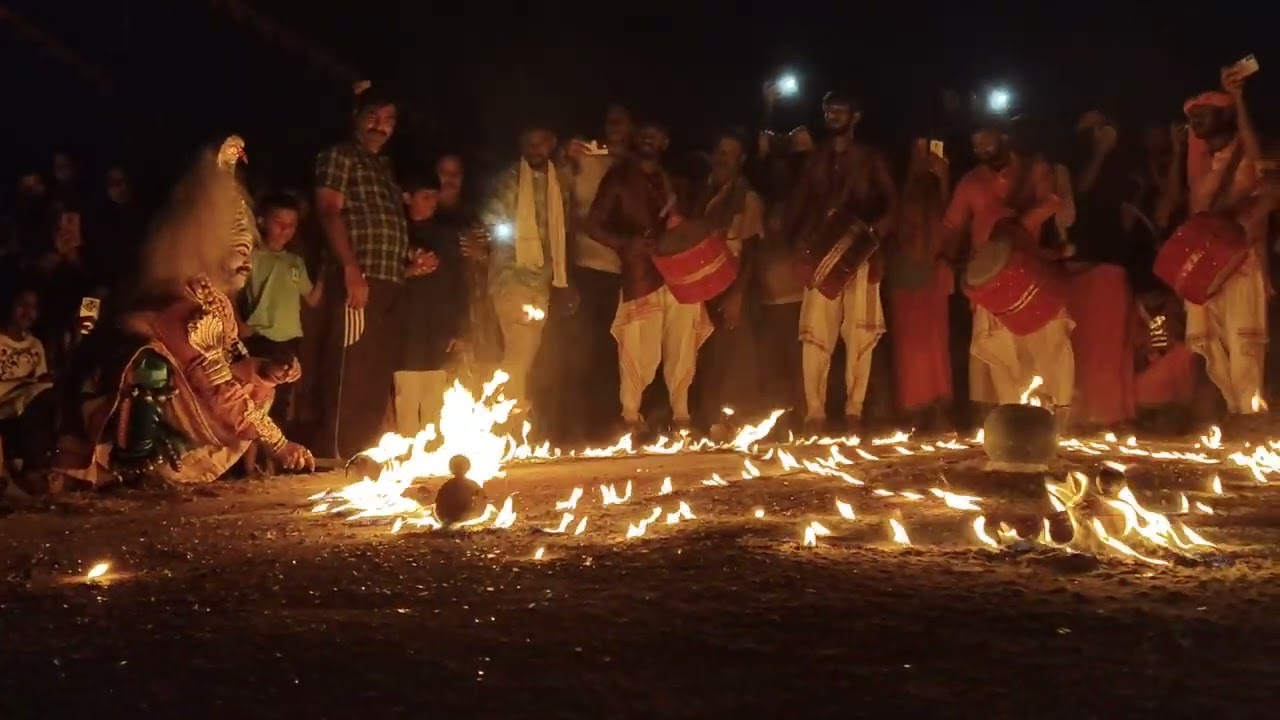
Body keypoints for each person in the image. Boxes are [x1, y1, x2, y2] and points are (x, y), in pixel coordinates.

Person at [53, 137, 314, 488]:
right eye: (238, 250)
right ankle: (134, 465)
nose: (246, 262)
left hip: (201, 396)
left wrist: (266, 371)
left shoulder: (216, 300)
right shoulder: (184, 302)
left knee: (258, 388)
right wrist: (279, 444)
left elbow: (233, 363)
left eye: (250, 250)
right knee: (151, 368)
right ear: (208, 246)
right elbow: (217, 389)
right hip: (107, 395)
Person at [782, 91, 897, 434]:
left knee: (860, 333)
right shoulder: (816, 159)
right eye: (828, 110)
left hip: (860, 253)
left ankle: (854, 411)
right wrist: (798, 242)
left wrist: (872, 233)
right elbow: (799, 202)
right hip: (822, 254)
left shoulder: (870, 159)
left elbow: (893, 203)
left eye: (840, 110)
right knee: (816, 332)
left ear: (855, 116)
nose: (832, 115)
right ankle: (814, 413)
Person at [588, 121, 712, 434]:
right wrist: (624, 244)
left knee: (683, 343)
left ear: (665, 141)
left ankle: (681, 416)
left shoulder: (676, 182)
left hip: (680, 273)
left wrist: (680, 223)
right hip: (641, 273)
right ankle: (630, 418)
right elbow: (594, 224)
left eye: (656, 133)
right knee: (636, 345)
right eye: (645, 132)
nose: (649, 137)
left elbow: (695, 224)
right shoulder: (618, 179)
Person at [944, 120, 1073, 414]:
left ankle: (1060, 413)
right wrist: (949, 260)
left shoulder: (1034, 170)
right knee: (1001, 348)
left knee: (1050, 341)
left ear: (1003, 137)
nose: (981, 150)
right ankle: (1012, 414)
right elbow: (952, 226)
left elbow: (1052, 202)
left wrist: (1016, 229)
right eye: (975, 145)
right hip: (990, 280)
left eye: (986, 142)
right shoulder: (971, 182)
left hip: (1031, 270)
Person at [1167, 70, 1274, 421]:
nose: (1195, 121)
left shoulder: (1248, 157)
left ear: (1227, 116)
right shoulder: (1201, 163)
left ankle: (1251, 413)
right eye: (1191, 117)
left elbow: (1259, 163)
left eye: (1204, 114)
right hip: (1204, 265)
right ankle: (1235, 411)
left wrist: (1239, 98)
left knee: (1244, 342)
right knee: (1210, 343)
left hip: (1242, 262)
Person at [314, 83, 409, 459]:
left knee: (375, 368)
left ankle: (365, 451)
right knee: (350, 368)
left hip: (390, 279)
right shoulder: (340, 156)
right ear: (355, 117)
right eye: (372, 116)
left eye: (388, 119)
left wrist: (408, 261)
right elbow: (328, 210)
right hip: (360, 277)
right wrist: (352, 269)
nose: (379, 125)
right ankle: (336, 451)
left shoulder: (384, 167)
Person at [480, 123, 576, 421]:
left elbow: (564, 230)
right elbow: (491, 223)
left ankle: (507, 416)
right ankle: (505, 416)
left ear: (552, 142)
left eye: (541, 143)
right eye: (529, 143)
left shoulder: (559, 181)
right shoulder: (508, 180)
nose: (535, 149)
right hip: (511, 277)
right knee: (520, 348)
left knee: (526, 351)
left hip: (543, 281)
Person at [562, 104, 634, 441]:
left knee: (615, 351)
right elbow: (561, 204)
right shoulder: (585, 160)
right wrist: (566, 160)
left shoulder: (634, 166)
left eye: (622, 122)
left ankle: (608, 426)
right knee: (581, 350)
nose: (615, 128)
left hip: (625, 272)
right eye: (611, 122)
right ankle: (576, 428)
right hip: (586, 268)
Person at [1065, 112, 1138, 430]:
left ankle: (1108, 414)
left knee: (1109, 344)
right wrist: (1099, 151)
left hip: (1111, 264)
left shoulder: (1124, 166)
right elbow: (1077, 193)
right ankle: (1078, 413)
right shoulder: (1071, 159)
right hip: (1078, 265)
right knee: (1080, 343)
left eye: (1102, 124)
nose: (1097, 130)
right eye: (1089, 124)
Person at [689, 130, 766, 425]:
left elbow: (752, 251)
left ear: (741, 160)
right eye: (720, 152)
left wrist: (737, 296)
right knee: (706, 357)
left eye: (730, 154)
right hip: (701, 286)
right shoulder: (702, 193)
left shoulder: (747, 198)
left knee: (734, 358)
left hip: (732, 286)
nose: (723, 160)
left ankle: (735, 424)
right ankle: (707, 423)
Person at [241, 192, 322, 428]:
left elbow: (312, 298)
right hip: (258, 336)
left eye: (292, 225)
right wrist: (238, 324)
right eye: (279, 223)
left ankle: (271, 459)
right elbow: (231, 292)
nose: (286, 230)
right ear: (262, 221)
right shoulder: (250, 257)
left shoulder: (295, 262)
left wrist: (329, 271)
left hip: (288, 338)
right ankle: (247, 463)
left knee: (281, 402)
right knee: (254, 399)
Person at [395, 175, 467, 436]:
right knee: (407, 386)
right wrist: (410, 270)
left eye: (435, 198)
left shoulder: (445, 236)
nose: (432, 203)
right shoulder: (396, 232)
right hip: (405, 321)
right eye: (425, 197)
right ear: (407, 197)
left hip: (438, 321)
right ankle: (406, 446)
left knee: (435, 385)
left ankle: (431, 446)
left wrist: (459, 328)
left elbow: (459, 283)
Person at [888, 139, 953, 429]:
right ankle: (913, 407)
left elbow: (953, 223)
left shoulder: (938, 189)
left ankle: (938, 404)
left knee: (936, 341)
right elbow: (896, 224)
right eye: (916, 151)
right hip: (905, 272)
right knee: (909, 344)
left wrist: (944, 179)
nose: (923, 158)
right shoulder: (900, 190)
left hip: (934, 271)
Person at [0, 288, 55, 486]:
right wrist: (26, 384)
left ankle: (33, 467)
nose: (28, 312)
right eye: (22, 305)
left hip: (25, 411)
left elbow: (41, 386)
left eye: (33, 307)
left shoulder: (35, 345)